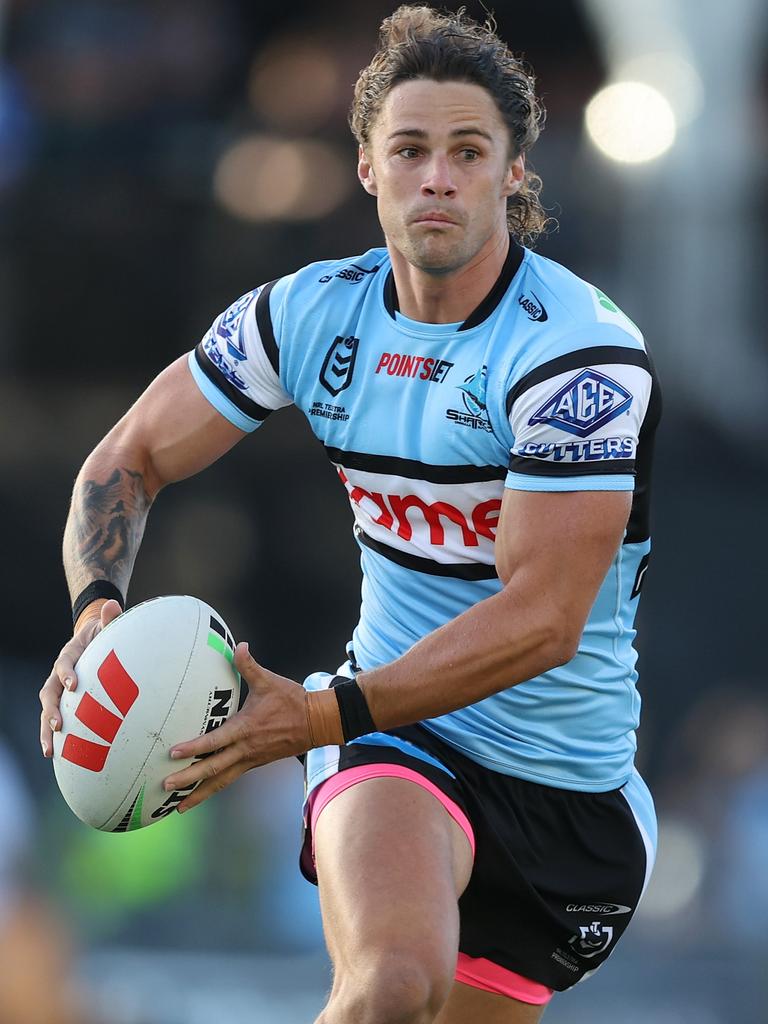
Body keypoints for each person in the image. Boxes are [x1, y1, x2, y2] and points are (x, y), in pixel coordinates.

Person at [40, 7, 661, 1022]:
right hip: (398, 739)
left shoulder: (577, 356)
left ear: (513, 171)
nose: (438, 177)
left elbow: (546, 618)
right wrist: (97, 610)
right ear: (368, 165)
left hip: (572, 799)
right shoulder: (306, 313)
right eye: (410, 149)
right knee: (388, 989)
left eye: (469, 151)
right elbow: (127, 459)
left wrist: (313, 714)